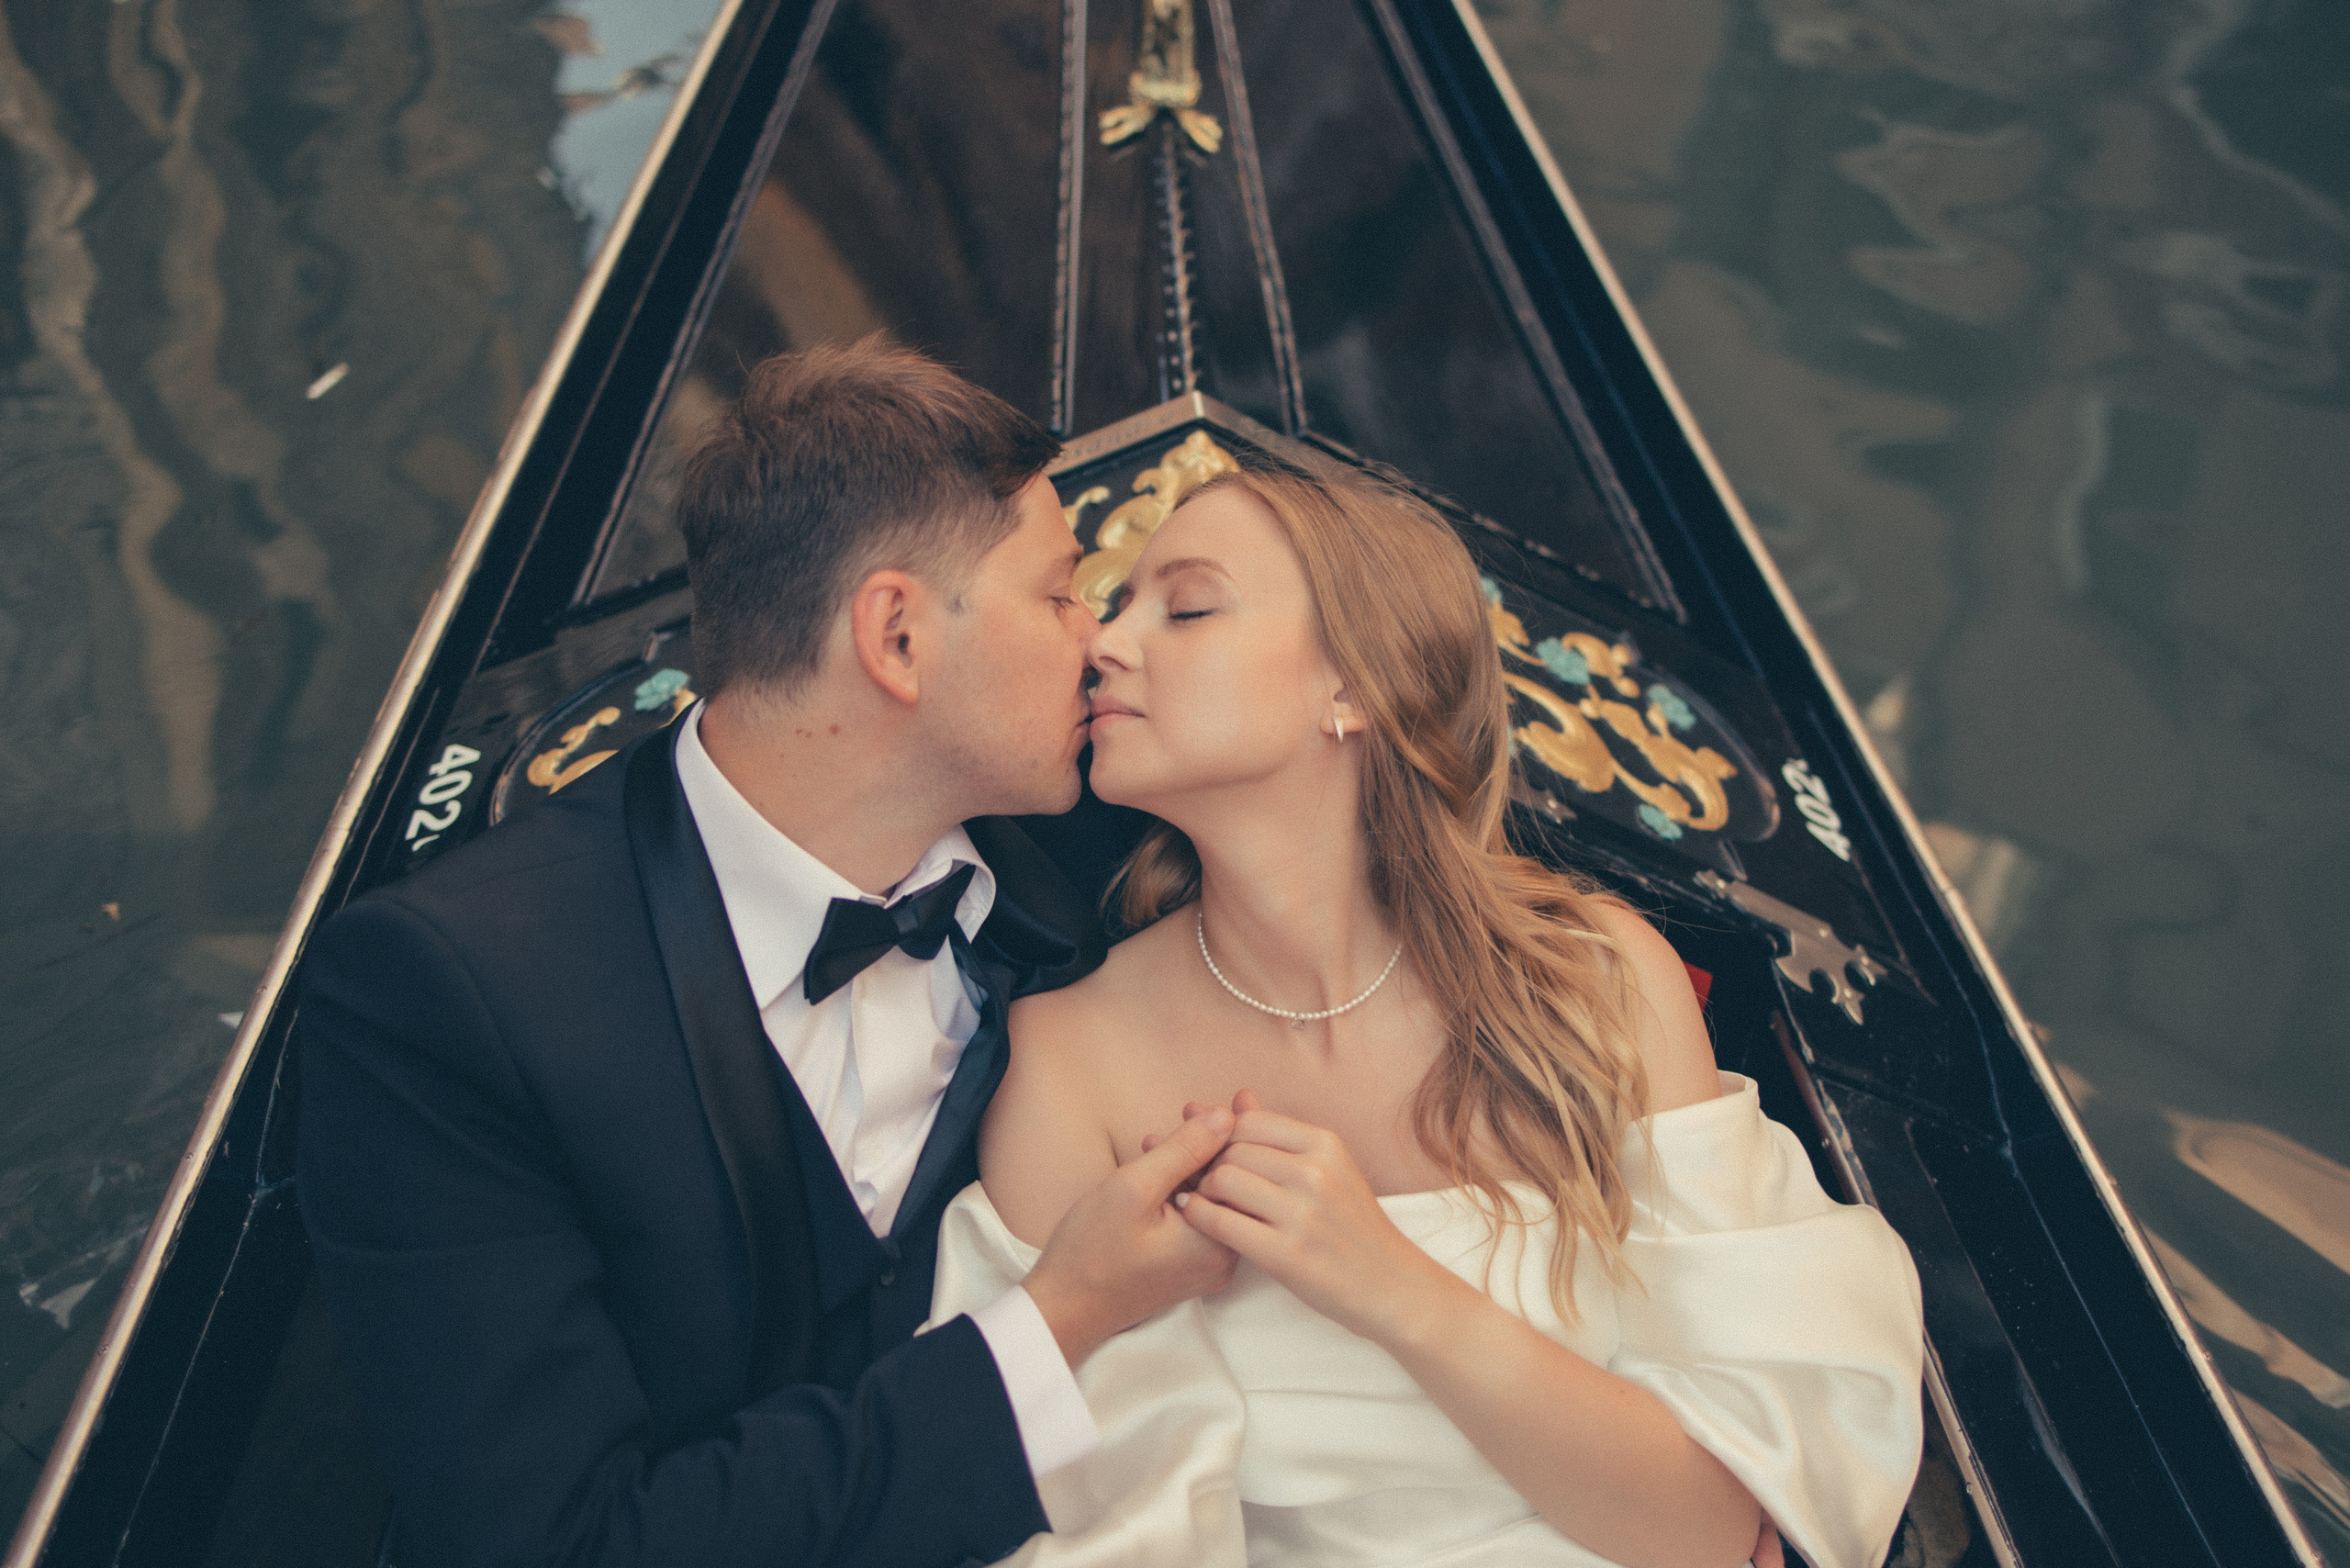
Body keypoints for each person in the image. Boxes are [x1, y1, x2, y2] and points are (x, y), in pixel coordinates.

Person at [297, 339, 1244, 1567]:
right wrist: (1058, 1321)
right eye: (1061, 591)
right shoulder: (449, 997)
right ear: (896, 637)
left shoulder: (1083, 864)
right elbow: (559, 1547)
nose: (1099, 639)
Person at [931, 465, 1928, 1567]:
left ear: (1354, 688)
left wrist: (1383, 1282)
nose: (1105, 645)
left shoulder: (1592, 982)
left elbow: (1713, 1530)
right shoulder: (1071, 1066)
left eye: (1189, 606)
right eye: (1113, 605)